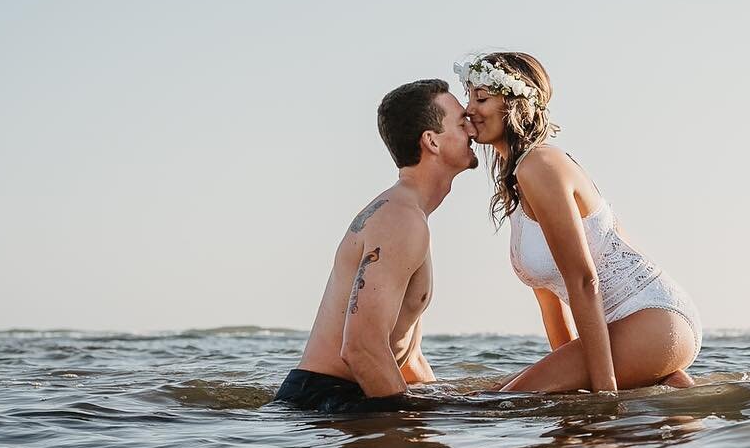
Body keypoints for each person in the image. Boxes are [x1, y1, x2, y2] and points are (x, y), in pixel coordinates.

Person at [457, 51, 701, 393]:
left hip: (652, 318)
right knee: (488, 393)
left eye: (481, 98)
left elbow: (583, 280)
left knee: (499, 403)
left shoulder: (539, 165)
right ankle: (672, 396)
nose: (469, 108)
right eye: (468, 97)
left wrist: (602, 398)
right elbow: (550, 301)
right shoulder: (517, 180)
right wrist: (569, 390)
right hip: (620, 330)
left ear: (515, 104)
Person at [272, 78, 478, 412]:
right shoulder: (400, 219)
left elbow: (407, 354)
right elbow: (360, 347)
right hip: (322, 405)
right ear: (432, 142)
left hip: (342, 395)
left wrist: (450, 402)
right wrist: (411, 422)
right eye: (460, 123)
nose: (472, 129)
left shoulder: (409, 213)